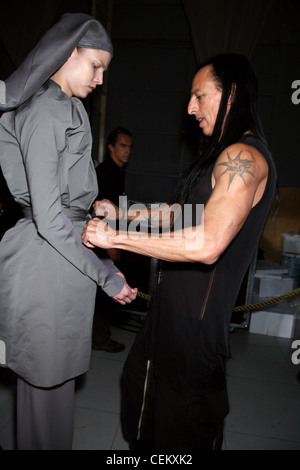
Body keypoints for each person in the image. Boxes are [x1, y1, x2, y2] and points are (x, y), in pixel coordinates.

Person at [82, 53, 277, 450]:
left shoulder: (246, 158)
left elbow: (207, 243)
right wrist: (122, 214)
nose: (190, 108)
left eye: (199, 95)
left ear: (232, 93)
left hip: (194, 337)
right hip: (165, 324)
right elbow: (178, 214)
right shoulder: (221, 156)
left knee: (180, 432)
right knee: (140, 404)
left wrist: (113, 238)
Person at [0, 13, 137, 450]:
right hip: (46, 259)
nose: (100, 78)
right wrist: (107, 273)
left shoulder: (69, 106)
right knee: (43, 397)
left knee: (55, 391)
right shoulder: (44, 110)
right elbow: (48, 217)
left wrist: (88, 201)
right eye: (95, 65)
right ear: (66, 52)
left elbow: (61, 195)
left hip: (59, 258)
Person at [92, 127, 133, 353]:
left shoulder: (117, 172)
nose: (127, 151)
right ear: (111, 147)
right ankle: (99, 339)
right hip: (105, 239)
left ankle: (100, 336)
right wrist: (109, 244)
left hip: (112, 238)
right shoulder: (106, 173)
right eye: (122, 146)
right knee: (106, 291)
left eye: (129, 147)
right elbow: (101, 209)